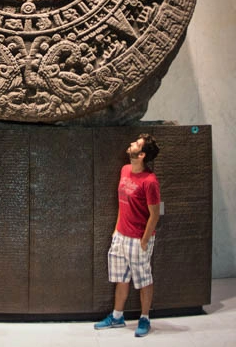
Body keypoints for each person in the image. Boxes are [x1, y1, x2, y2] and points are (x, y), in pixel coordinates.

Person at [94, 133, 161, 337]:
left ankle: (144, 318)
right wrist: (116, 229)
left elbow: (155, 214)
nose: (131, 144)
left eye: (136, 144)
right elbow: (122, 204)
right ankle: (117, 316)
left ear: (141, 155)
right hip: (121, 236)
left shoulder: (150, 181)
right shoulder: (124, 170)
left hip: (138, 239)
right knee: (121, 278)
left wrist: (144, 240)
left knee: (143, 279)